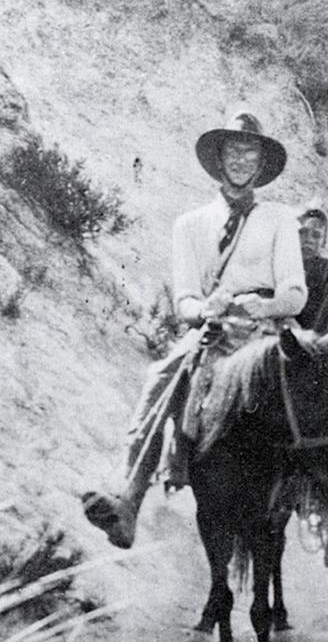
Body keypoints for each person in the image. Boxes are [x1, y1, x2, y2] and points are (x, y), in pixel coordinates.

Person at [82, 111, 307, 548]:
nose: (241, 159)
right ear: (218, 159)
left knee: (312, 388)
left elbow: (296, 292)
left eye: (250, 151)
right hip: (214, 328)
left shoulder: (280, 219)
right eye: (232, 151)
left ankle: (327, 506)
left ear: (261, 163)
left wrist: (265, 304)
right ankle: (129, 499)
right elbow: (184, 299)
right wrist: (206, 309)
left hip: (266, 325)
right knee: (160, 378)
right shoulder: (189, 224)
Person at [295, 204, 328, 335]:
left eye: (316, 235)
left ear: (324, 241)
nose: (309, 240)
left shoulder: (327, 271)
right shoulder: (281, 259)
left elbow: (323, 319)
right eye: (303, 232)